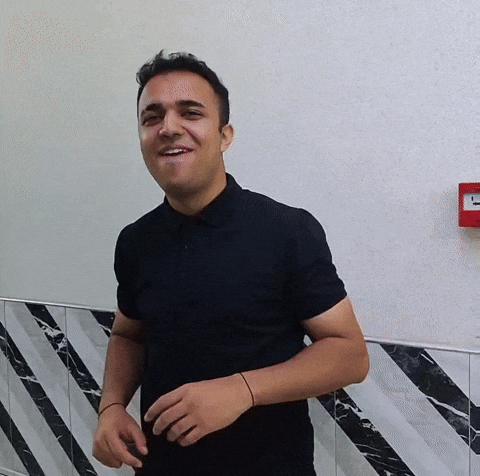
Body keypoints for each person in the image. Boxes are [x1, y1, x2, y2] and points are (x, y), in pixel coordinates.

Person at [92, 51, 369, 476]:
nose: (168, 127)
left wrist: (242, 390)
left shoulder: (286, 230)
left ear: (225, 136)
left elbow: (350, 355)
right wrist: (111, 406)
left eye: (190, 113)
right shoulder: (135, 242)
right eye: (152, 117)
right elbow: (129, 335)